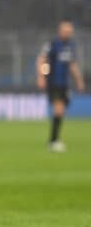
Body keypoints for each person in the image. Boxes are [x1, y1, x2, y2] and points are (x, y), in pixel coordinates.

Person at [36, 20, 85, 152]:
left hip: (65, 83)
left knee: (61, 110)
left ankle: (54, 139)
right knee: (59, 108)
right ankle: (53, 141)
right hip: (53, 82)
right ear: (60, 31)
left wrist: (79, 80)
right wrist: (42, 76)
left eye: (69, 31)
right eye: (65, 31)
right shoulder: (52, 44)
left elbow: (72, 65)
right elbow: (42, 60)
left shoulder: (71, 46)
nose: (67, 33)